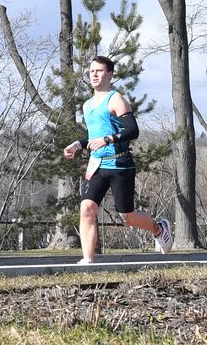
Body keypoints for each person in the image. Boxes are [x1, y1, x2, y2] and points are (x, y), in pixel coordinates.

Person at [62, 55, 174, 264]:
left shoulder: (116, 99)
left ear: (110, 74)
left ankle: (159, 228)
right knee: (86, 208)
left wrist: (108, 139)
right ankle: (88, 260)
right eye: (91, 71)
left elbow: (133, 130)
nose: (94, 74)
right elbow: (95, 137)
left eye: (99, 71)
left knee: (127, 218)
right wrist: (78, 144)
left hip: (120, 164)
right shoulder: (87, 105)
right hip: (97, 165)